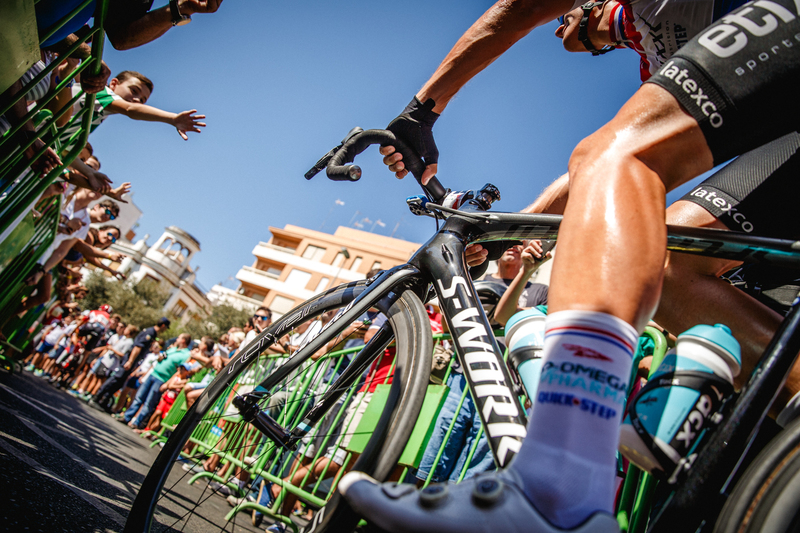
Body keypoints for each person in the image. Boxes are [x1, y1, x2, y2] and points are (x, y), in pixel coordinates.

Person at [338, 1, 800, 532]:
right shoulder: (653, 61)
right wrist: (509, 232)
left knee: (617, 157)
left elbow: (523, 10)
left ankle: (557, 486)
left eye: (567, 17)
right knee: (670, 259)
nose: (559, 27)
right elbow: (597, 174)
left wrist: (422, 110)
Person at [89, 317, 171, 412]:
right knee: (115, 379)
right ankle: (96, 398)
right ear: (163, 325)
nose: (165, 330)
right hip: (130, 360)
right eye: (166, 328)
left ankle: (103, 401)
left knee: (119, 382)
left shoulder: (152, 332)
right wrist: (130, 361)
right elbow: (137, 347)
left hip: (133, 361)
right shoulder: (150, 332)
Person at [121, 333, 192, 429]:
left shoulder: (186, 355)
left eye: (179, 337)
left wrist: (167, 384)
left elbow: (180, 372)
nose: (177, 339)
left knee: (149, 402)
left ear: (183, 340)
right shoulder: (173, 349)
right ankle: (127, 417)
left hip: (162, 379)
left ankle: (137, 422)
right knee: (139, 397)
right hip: (153, 374)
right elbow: (160, 358)